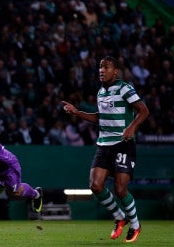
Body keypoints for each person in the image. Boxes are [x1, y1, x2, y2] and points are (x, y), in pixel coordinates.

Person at [62, 56, 149, 243]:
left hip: (123, 144)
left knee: (120, 188)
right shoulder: (101, 92)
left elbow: (144, 110)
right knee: (95, 185)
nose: (101, 70)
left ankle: (135, 224)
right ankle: (120, 217)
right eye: (100, 67)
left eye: (106, 67)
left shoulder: (125, 88)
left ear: (115, 71)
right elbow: (100, 118)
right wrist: (77, 113)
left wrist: (132, 127)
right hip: (103, 145)